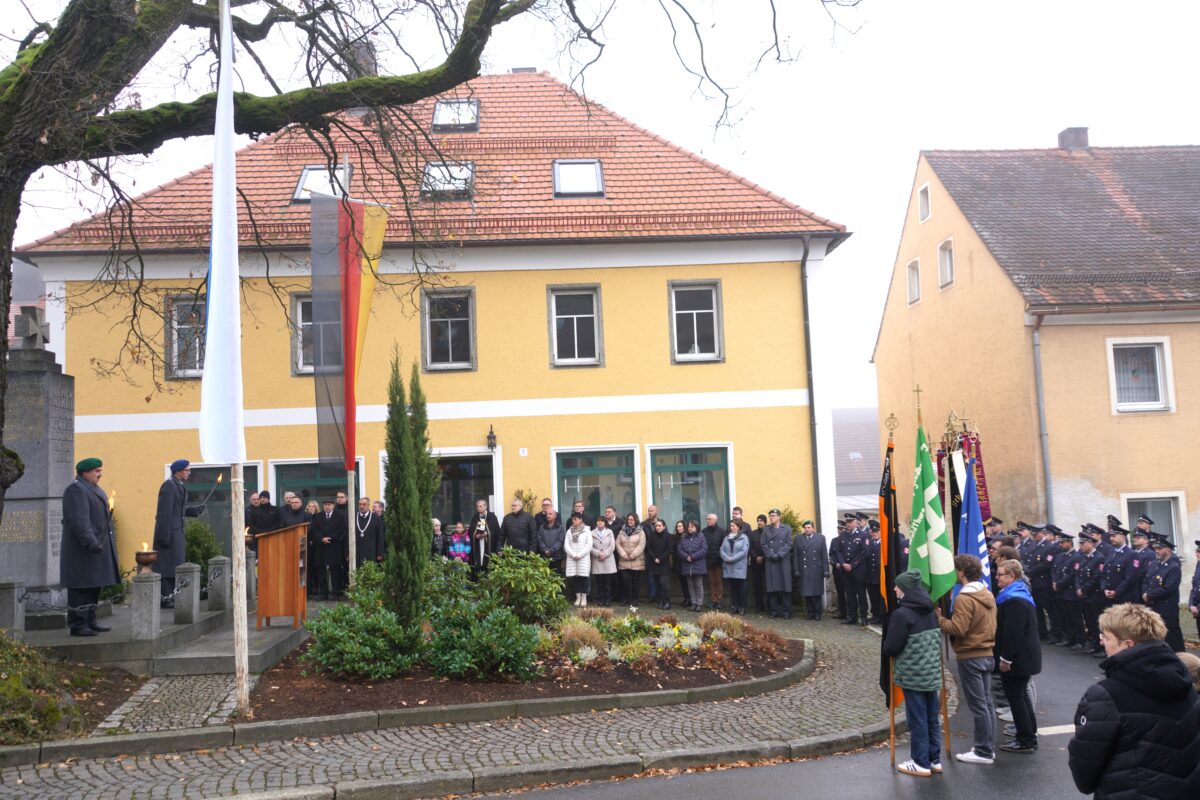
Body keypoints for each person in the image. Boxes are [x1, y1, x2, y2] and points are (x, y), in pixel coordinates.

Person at [1067, 603, 1200, 799]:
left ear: (1128, 644)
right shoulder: (1184, 678)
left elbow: (1086, 759)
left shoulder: (1105, 694)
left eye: (1107, 637)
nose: (1101, 642)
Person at [936, 554, 998, 765]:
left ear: (961, 572)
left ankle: (983, 751)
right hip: (987, 652)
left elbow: (958, 628)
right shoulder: (986, 593)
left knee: (979, 705)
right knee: (986, 703)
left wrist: (940, 619)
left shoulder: (964, 598)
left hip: (971, 655)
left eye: (954, 570)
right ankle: (988, 747)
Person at [882, 569, 944, 777]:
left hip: (913, 674)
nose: (894, 589)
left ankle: (920, 762)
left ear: (905, 589)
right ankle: (934, 759)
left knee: (917, 719)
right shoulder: (930, 611)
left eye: (897, 586)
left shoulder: (901, 615)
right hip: (931, 673)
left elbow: (891, 647)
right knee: (931, 717)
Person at [60, 458, 119, 637]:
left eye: (100, 470)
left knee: (94, 585)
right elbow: (80, 522)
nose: (100, 474)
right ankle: (78, 624)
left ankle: (90, 620)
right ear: (85, 472)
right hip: (83, 549)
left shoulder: (93, 488)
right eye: (96, 471)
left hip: (96, 547)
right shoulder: (76, 489)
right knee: (81, 587)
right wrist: (91, 542)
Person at [994, 559, 1042, 753]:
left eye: (1000, 574)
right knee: (1021, 696)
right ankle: (1029, 734)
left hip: (1018, 658)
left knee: (1016, 697)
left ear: (1012, 576)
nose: (996, 578)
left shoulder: (1014, 600)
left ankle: (1025, 739)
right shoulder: (1017, 594)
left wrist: (1006, 659)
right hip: (1023, 656)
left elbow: (1013, 633)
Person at [153, 458, 205, 608]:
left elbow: (177, 510)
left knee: (174, 564)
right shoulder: (169, 486)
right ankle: (166, 597)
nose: (189, 473)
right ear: (178, 471)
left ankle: (171, 595)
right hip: (168, 531)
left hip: (176, 531)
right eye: (187, 470)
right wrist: (164, 536)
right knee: (166, 565)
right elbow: (164, 513)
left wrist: (193, 511)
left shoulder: (179, 485)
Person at [1142, 535, 1185, 652]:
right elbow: (1146, 580)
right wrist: (1145, 592)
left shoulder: (1173, 567)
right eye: (1155, 548)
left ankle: (1180, 657)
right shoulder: (1154, 564)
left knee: (1172, 637)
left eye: (1159, 548)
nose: (1156, 551)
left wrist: (1149, 595)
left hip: (1167, 608)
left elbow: (1168, 588)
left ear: (1168, 550)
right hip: (1153, 606)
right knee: (1156, 636)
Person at [792, 519, 829, 620]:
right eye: (805, 528)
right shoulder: (798, 538)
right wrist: (796, 569)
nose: (807, 529)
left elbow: (824, 555)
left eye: (809, 527)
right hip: (804, 570)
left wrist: (826, 570)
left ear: (813, 528)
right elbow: (795, 556)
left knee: (817, 593)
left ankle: (818, 613)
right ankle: (809, 612)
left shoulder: (821, 538)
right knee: (807, 593)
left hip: (817, 569)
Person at [309, 499, 345, 599]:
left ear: (333, 505)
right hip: (321, 547)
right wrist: (321, 538)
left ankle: (336, 593)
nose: (327, 506)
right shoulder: (318, 516)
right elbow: (314, 530)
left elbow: (341, 530)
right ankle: (323, 594)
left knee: (335, 572)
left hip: (334, 547)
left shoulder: (340, 516)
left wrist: (330, 538)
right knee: (321, 572)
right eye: (325, 505)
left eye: (329, 504)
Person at [762, 508, 794, 619]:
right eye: (770, 515)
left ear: (779, 517)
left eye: (773, 515)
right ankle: (774, 610)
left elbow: (789, 543)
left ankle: (787, 611)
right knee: (772, 587)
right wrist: (771, 554)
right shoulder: (766, 529)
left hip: (783, 560)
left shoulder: (787, 529)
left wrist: (780, 554)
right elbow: (763, 544)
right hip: (771, 561)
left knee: (785, 586)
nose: (771, 517)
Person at [676, 519, 708, 612]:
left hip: (698, 564)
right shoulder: (683, 537)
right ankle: (693, 603)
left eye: (692, 527)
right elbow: (679, 550)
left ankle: (699, 603)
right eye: (689, 527)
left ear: (696, 528)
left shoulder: (701, 537)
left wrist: (693, 556)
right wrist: (686, 557)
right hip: (687, 565)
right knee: (690, 585)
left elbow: (704, 549)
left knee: (698, 584)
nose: (690, 528)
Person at [720, 519, 749, 615]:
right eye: (730, 526)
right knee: (732, 589)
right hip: (729, 566)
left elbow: (744, 552)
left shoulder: (744, 538)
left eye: (733, 526)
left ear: (738, 527)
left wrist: (732, 558)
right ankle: (734, 606)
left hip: (739, 566)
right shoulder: (726, 538)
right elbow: (721, 550)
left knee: (741, 588)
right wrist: (726, 558)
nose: (731, 528)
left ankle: (742, 607)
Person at [615, 514, 646, 604]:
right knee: (625, 580)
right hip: (624, 560)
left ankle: (634, 599)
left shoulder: (641, 532)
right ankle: (626, 598)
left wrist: (633, 555)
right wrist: (624, 555)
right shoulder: (622, 531)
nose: (630, 521)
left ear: (636, 520)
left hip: (636, 561)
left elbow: (642, 544)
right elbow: (617, 544)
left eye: (632, 519)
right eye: (629, 519)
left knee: (635, 582)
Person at [564, 512, 592, 607]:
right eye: (573, 519)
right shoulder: (569, 531)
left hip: (583, 558)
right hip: (572, 558)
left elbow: (589, 545)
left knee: (583, 578)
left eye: (575, 519)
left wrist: (580, 554)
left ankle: (584, 598)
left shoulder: (586, 531)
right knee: (575, 579)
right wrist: (573, 554)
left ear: (580, 520)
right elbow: (566, 545)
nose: (573, 521)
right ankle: (578, 598)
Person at [645, 518, 674, 610]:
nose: (657, 527)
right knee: (657, 584)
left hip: (664, 564)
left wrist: (660, 559)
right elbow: (649, 548)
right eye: (656, 526)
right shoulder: (652, 536)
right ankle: (661, 601)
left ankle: (667, 602)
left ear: (664, 527)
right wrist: (654, 558)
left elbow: (669, 549)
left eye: (659, 525)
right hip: (654, 563)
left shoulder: (668, 536)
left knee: (664, 584)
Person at [469, 499, 500, 578]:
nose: (478, 508)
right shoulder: (475, 517)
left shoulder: (492, 517)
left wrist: (487, 534)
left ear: (486, 506)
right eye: (477, 506)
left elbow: (497, 531)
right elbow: (471, 530)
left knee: (488, 563)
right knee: (479, 562)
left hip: (489, 545)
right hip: (478, 544)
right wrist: (476, 536)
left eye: (480, 506)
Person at [353, 496, 386, 568]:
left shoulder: (376, 518)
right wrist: (347, 553)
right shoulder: (353, 517)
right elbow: (347, 536)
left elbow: (380, 536)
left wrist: (380, 553)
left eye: (364, 504)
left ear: (368, 505)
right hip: (356, 552)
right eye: (360, 504)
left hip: (371, 551)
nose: (361, 506)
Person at [590, 516, 616, 606]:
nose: (600, 522)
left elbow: (612, 546)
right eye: (598, 521)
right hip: (597, 560)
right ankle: (601, 599)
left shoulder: (610, 532)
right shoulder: (591, 533)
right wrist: (598, 554)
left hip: (608, 560)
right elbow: (590, 546)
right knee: (599, 582)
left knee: (607, 582)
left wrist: (604, 554)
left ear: (605, 523)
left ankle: (607, 599)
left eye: (601, 521)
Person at [702, 513, 725, 609]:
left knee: (718, 581)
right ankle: (713, 600)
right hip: (708, 560)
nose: (708, 520)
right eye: (707, 519)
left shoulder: (721, 531)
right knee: (711, 581)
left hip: (718, 560)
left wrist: (719, 555)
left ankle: (719, 600)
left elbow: (724, 545)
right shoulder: (704, 531)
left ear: (715, 520)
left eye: (710, 519)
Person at [537, 507, 565, 576]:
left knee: (556, 576)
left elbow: (561, 541)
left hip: (556, 557)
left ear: (555, 516)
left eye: (550, 514)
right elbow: (539, 540)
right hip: (545, 556)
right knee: (545, 576)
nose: (548, 515)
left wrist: (551, 550)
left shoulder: (560, 527)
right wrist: (545, 550)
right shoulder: (542, 527)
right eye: (547, 514)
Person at [748, 514, 767, 613]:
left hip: (767, 562)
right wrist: (756, 557)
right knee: (757, 585)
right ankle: (759, 606)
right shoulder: (752, 533)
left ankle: (769, 605)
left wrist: (763, 557)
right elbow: (749, 547)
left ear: (765, 522)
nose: (759, 522)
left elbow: (770, 547)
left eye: (761, 521)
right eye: (758, 521)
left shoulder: (768, 533)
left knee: (768, 585)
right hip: (755, 563)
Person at [673, 520, 691, 607]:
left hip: (686, 562)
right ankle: (686, 598)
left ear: (684, 527)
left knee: (688, 583)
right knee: (682, 582)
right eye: (677, 526)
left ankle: (690, 599)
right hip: (678, 563)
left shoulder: (687, 537)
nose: (678, 528)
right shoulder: (675, 538)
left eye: (680, 526)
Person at [1190, 540, 1200, 642]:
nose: (1196, 554)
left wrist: (1198, 608)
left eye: (1199, 552)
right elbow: (1194, 587)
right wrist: (1191, 605)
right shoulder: (1198, 565)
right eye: (1196, 551)